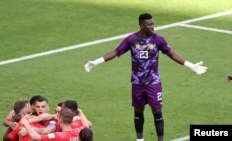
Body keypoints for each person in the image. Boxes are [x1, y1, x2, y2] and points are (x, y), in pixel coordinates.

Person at [84, 13, 207, 141]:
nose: (153, 26)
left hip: (153, 82)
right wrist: (96, 62)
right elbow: (116, 51)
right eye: (149, 24)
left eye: (153, 24)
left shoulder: (158, 39)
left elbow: (172, 54)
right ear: (142, 25)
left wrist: (190, 65)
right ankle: (140, 139)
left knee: (157, 111)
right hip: (137, 83)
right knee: (138, 111)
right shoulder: (131, 39)